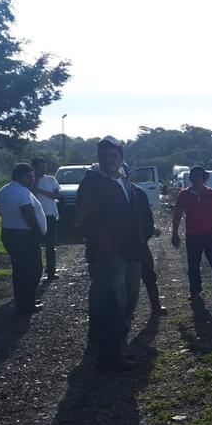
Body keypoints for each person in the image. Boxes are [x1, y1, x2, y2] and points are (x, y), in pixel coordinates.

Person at [76, 136, 144, 371]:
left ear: (121, 158)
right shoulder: (93, 183)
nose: (108, 160)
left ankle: (113, 346)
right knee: (112, 304)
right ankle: (110, 357)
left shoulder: (125, 182)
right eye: (103, 156)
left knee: (129, 302)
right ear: (98, 158)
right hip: (109, 256)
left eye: (112, 155)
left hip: (130, 252)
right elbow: (85, 221)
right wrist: (105, 248)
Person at [171, 165, 212, 300]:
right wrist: (175, 233)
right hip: (192, 236)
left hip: (210, 235)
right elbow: (177, 214)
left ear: (204, 178)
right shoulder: (184, 194)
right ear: (190, 178)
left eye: (199, 175)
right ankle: (195, 291)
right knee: (193, 265)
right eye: (194, 175)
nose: (197, 177)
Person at [0, 163, 46, 313]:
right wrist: (38, 232)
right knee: (33, 270)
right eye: (30, 176)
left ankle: (23, 300)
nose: (32, 179)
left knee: (19, 270)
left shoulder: (3, 190)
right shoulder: (22, 192)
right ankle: (27, 304)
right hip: (24, 236)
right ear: (20, 176)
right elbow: (28, 214)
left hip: (9, 233)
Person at [125, 164, 167, 316]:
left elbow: (148, 217)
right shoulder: (105, 193)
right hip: (118, 245)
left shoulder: (138, 192)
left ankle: (156, 306)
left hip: (139, 241)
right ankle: (125, 313)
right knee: (122, 280)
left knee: (149, 274)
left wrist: (145, 235)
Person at [31, 157, 61, 280]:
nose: (43, 169)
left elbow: (57, 195)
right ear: (34, 168)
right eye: (40, 167)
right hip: (35, 216)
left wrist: (40, 191)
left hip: (49, 215)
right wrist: (35, 183)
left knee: (50, 245)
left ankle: (51, 271)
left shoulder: (51, 179)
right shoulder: (30, 180)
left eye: (44, 167)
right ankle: (35, 272)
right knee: (35, 246)